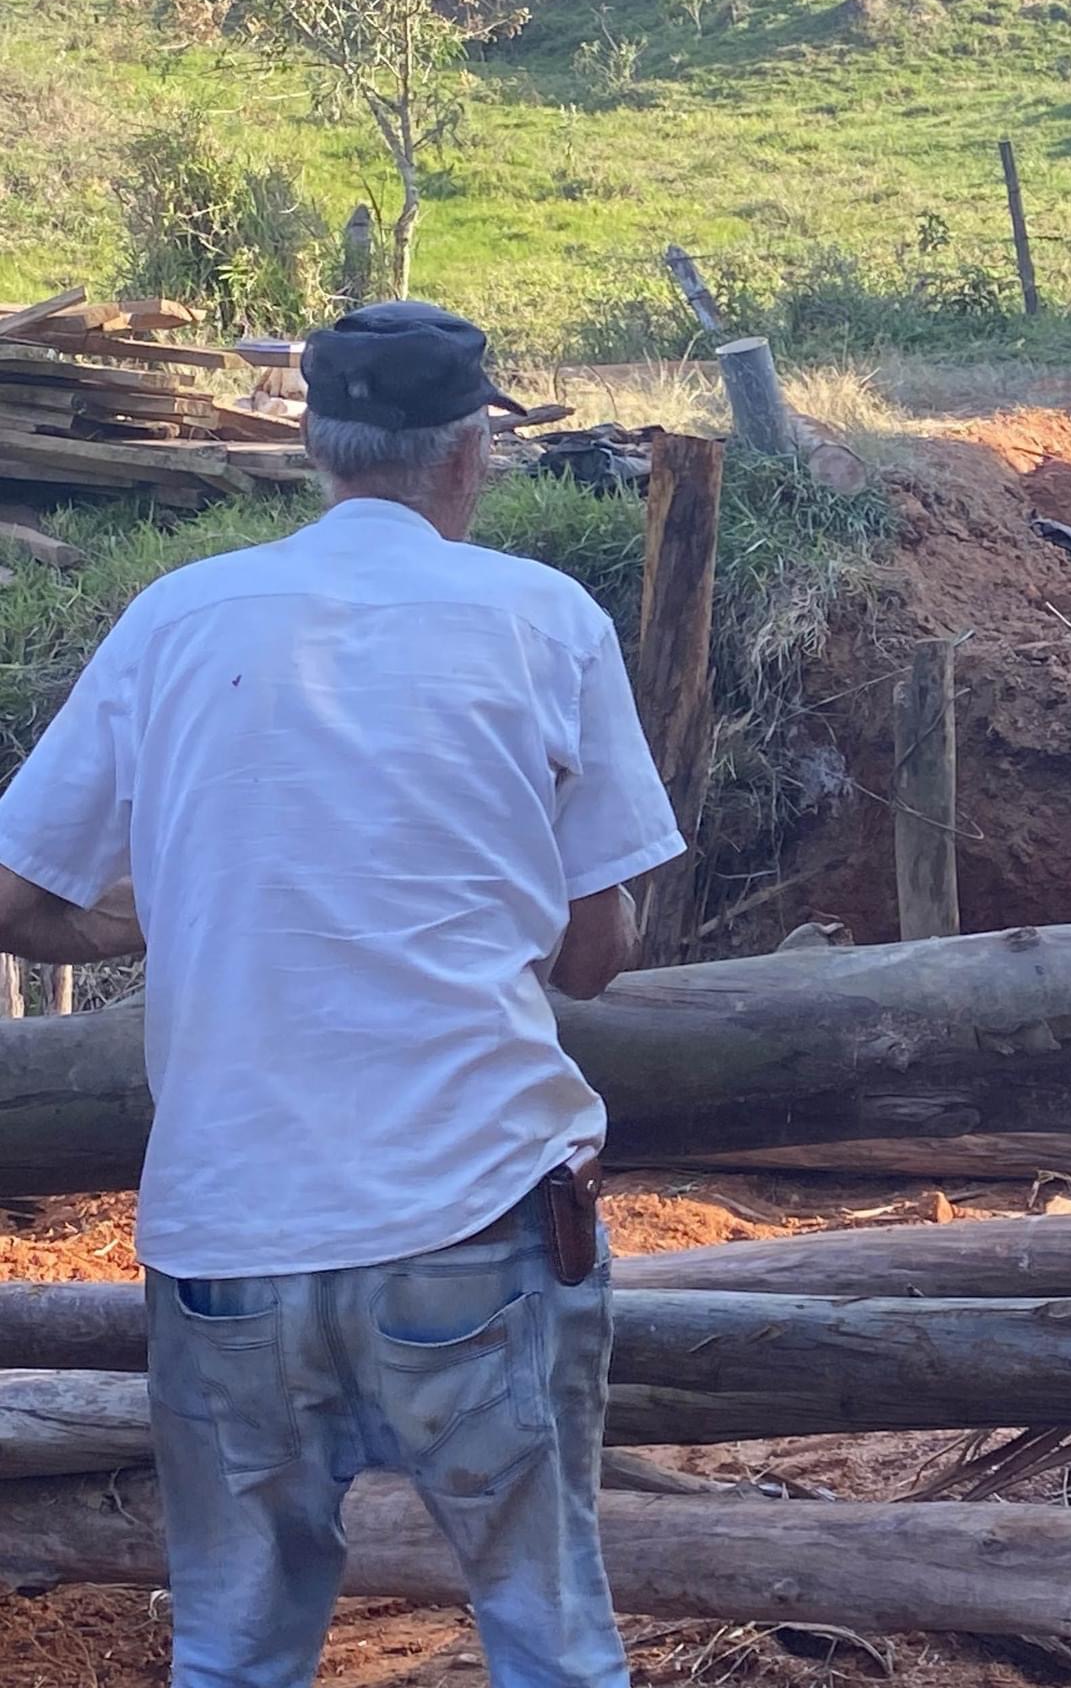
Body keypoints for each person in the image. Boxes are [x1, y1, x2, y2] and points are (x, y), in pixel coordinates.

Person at [0, 302, 685, 1688]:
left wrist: (155, 914)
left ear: (314, 443)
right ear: (469, 451)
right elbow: (598, 950)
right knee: (548, 1636)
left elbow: (14, 895)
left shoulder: (174, 618)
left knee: (236, 1651)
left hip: (229, 1235)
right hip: (475, 1214)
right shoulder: (543, 619)